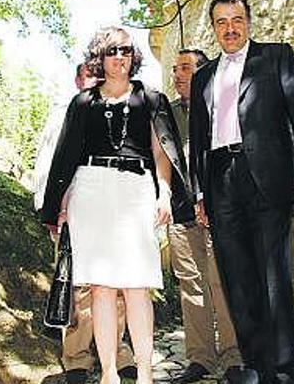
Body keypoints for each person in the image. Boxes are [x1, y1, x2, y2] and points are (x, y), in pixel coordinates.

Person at [188, 0, 294, 384]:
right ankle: (253, 368)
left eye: (237, 20)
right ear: (214, 28)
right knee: (238, 281)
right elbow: (199, 139)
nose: (230, 28)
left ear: (248, 22)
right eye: (222, 22)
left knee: (274, 280)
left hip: (267, 180)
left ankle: (285, 373)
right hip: (220, 184)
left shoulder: (277, 57)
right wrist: (200, 192)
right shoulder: (203, 77)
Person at [42, 26, 194, 384]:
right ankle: (109, 372)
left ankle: (144, 373)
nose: (120, 57)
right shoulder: (83, 103)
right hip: (91, 192)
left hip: (137, 190)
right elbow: (67, 156)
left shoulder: (152, 98)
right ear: (100, 57)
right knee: (101, 288)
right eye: (112, 51)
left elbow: (162, 151)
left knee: (138, 286)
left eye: (126, 50)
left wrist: (164, 192)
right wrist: (60, 205)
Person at [33, 63, 137, 384]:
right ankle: (77, 358)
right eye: (90, 76)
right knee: (76, 286)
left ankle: (118, 355)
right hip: (72, 214)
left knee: (116, 287)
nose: (96, 82)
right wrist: (50, 210)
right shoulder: (63, 114)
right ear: (79, 80)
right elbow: (47, 164)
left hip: (112, 214)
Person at [167, 49, 242, 383]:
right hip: (180, 211)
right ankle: (200, 358)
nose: (177, 74)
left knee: (222, 280)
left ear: (203, 72)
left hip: (217, 208)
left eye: (185, 68)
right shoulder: (165, 113)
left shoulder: (221, 107)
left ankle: (234, 358)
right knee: (191, 286)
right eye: (174, 68)